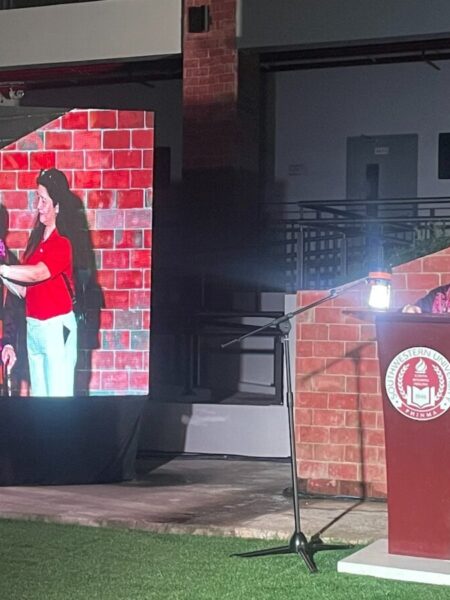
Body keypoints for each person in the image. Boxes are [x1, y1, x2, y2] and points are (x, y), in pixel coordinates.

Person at [0, 168, 77, 397]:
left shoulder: (62, 242)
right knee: (40, 402)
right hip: (34, 329)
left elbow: (37, 274)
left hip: (56, 328)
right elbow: (24, 290)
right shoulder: (36, 242)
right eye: (37, 199)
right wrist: (3, 274)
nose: (38, 206)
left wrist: (3, 268)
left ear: (57, 206)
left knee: (58, 400)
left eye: (44, 200)